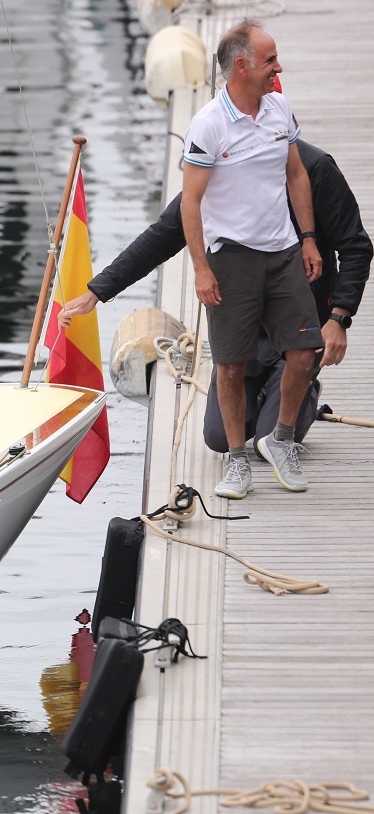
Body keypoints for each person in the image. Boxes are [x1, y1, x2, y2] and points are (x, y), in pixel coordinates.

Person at [59, 137, 370, 458]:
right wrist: (97, 291)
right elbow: (161, 237)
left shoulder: (316, 169)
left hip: (301, 325)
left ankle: (304, 391)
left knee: (269, 441)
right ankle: (267, 392)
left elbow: (355, 247)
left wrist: (339, 318)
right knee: (218, 438)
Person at [165, 20, 321, 500]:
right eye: (270, 59)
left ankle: (281, 440)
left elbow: (296, 175)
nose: (279, 67)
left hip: (283, 253)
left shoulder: (279, 108)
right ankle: (236, 462)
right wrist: (201, 269)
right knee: (230, 366)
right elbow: (190, 203)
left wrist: (309, 239)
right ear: (242, 66)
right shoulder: (209, 125)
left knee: (304, 353)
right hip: (230, 260)